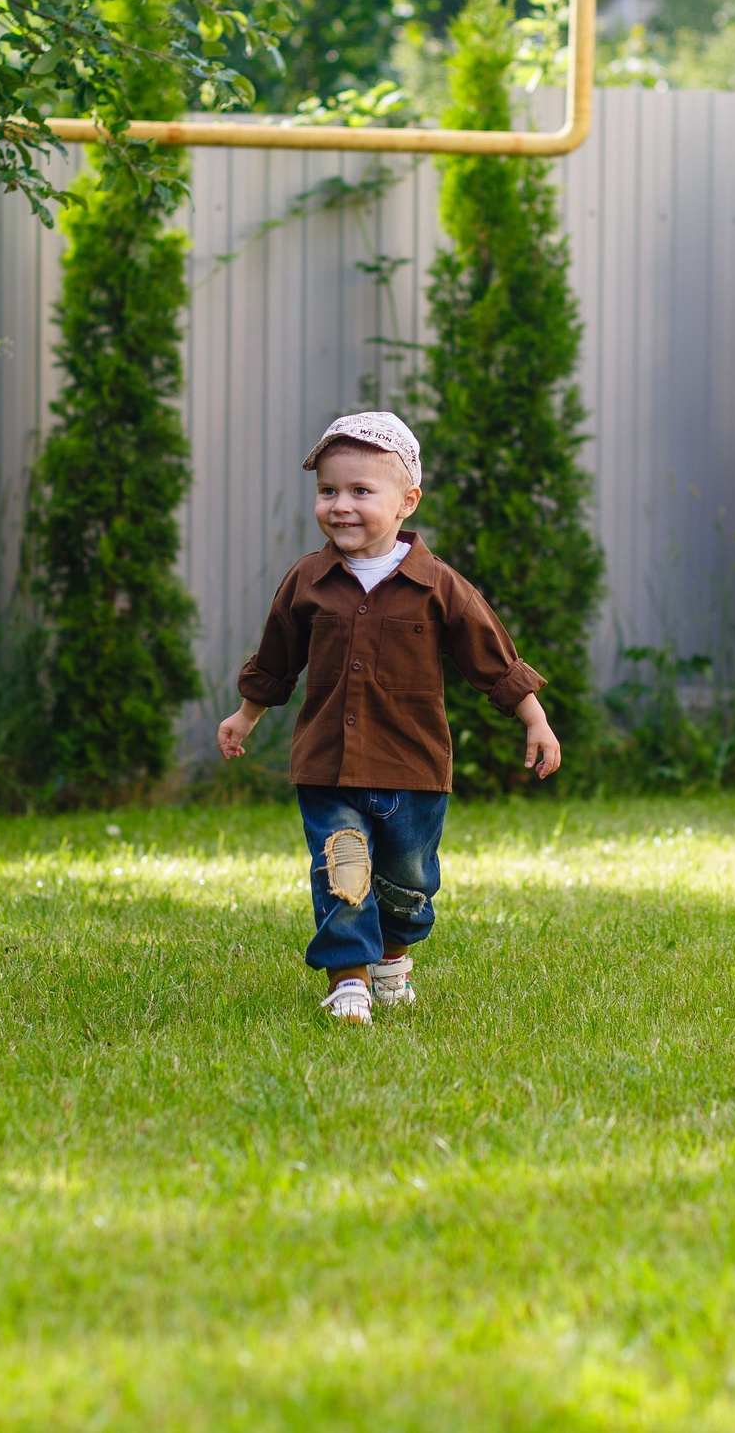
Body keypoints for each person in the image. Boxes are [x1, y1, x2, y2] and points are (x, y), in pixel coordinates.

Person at [218, 411, 563, 1025]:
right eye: (328, 491)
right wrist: (247, 715)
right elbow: (277, 657)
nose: (340, 506)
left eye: (360, 491)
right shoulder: (308, 581)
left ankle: (392, 960)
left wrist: (534, 718)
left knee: (408, 881)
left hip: (413, 765)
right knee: (342, 869)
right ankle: (347, 979)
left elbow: (491, 658)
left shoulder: (438, 586)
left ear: (407, 501)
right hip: (328, 762)